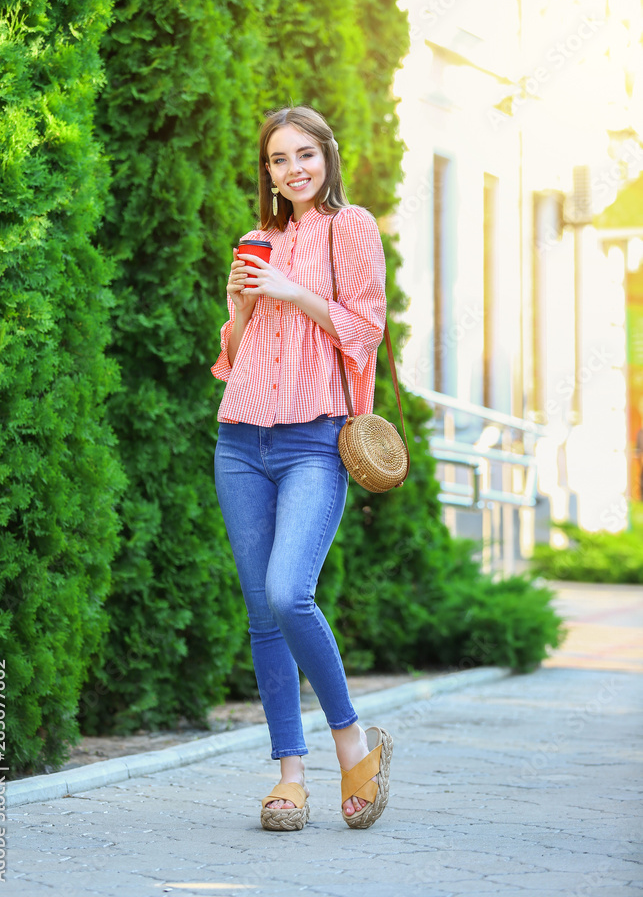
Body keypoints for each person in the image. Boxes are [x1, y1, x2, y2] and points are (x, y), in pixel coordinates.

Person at [211, 105, 393, 832]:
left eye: (305, 155)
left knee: (290, 593)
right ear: (269, 172)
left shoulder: (350, 227)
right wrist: (240, 305)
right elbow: (230, 359)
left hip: (315, 439)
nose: (294, 169)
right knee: (261, 615)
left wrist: (293, 293)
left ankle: (351, 742)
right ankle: (290, 775)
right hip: (240, 440)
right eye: (280, 159)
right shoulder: (261, 239)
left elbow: (367, 326)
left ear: (327, 157)